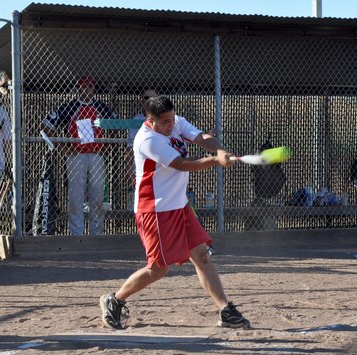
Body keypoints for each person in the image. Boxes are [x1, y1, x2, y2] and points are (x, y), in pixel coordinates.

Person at [99, 95, 250, 330]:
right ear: (151, 120)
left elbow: (201, 137)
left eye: (172, 119)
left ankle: (225, 309)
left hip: (179, 205)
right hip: (156, 210)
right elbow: (182, 164)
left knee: (201, 256)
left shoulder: (176, 121)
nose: (171, 125)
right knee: (158, 268)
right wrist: (215, 161)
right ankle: (115, 299)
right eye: (165, 122)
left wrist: (220, 149)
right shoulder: (147, 140)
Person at [42, 76, 117, 236]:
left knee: (97, 197)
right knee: (76, 197)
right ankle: (76, 235)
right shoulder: (70, 107)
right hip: (76, 156)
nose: (86, 90)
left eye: (89, 86)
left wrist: (108, 146)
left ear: (94, 88)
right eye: (83, 87)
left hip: (97, 155)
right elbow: (46, 125)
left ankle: (97, 235)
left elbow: (117, 125)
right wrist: (63, 148)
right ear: (78, 88)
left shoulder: (101, 107)